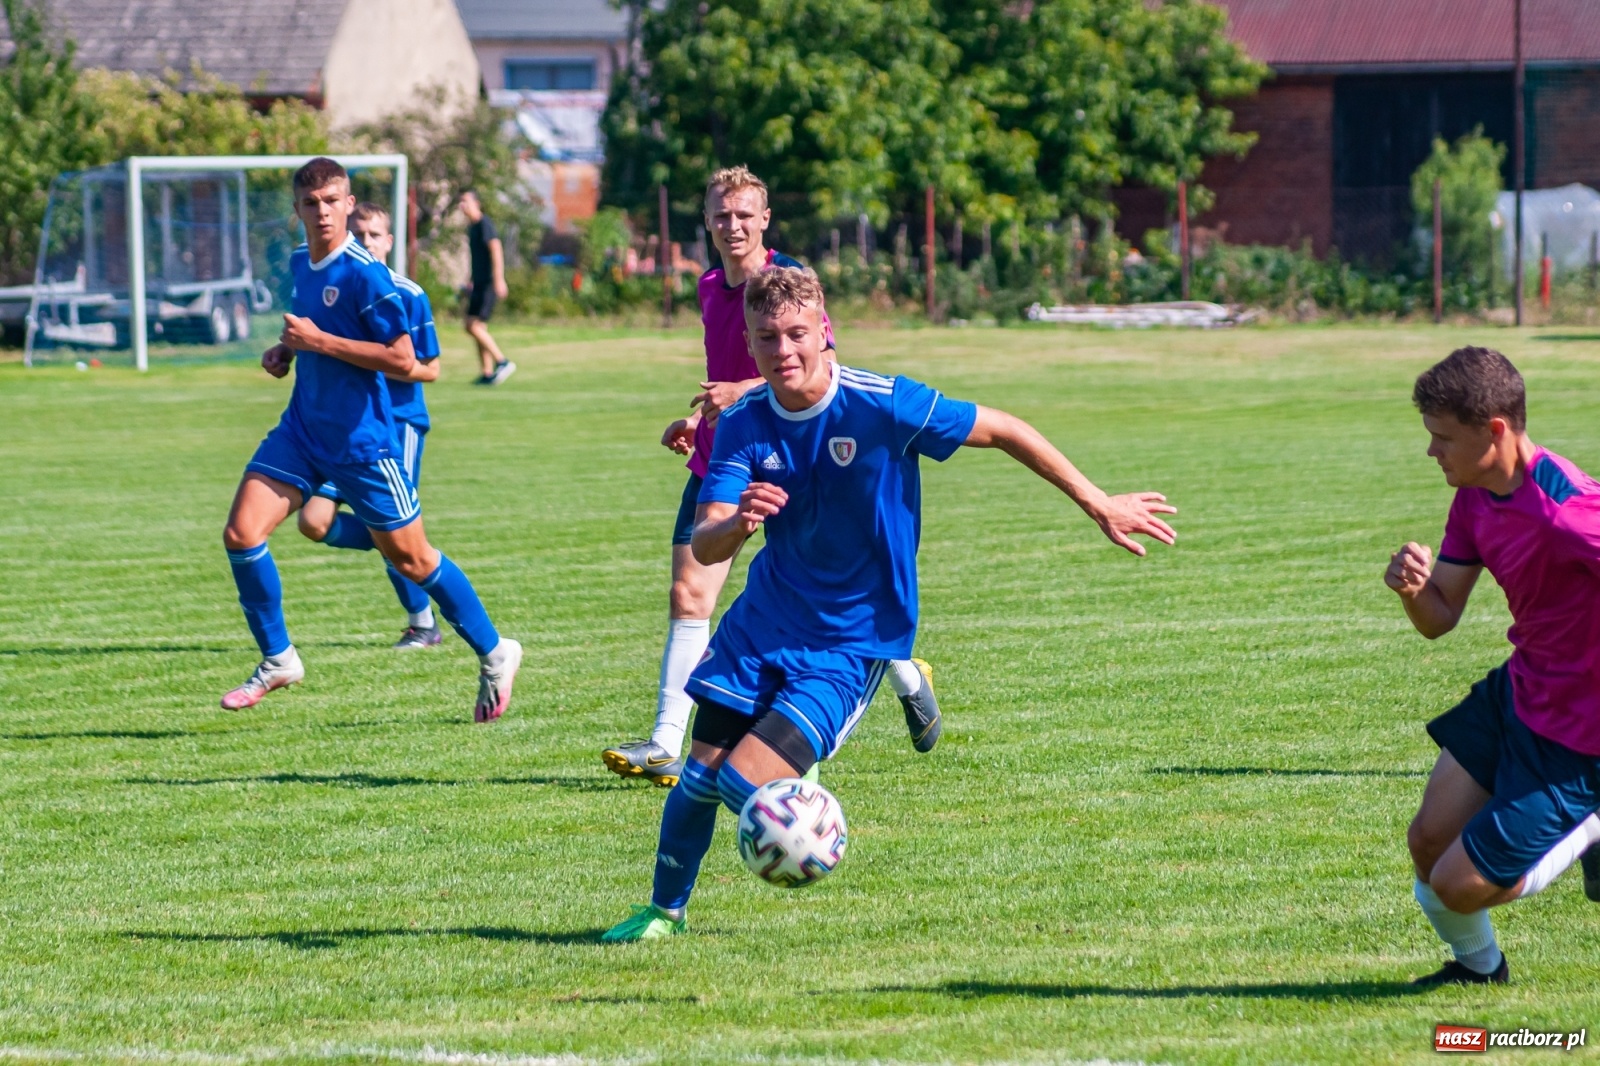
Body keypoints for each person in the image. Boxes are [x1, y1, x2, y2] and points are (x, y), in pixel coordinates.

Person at [600, 267, 1176, 940]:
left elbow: (1004, 429)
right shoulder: (744, 425)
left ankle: (816, 821)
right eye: (766, 339)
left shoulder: (883, 404)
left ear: (823, 331)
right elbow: (704, 542)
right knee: (697, 778)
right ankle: (664, 914)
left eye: (795, 334)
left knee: (742, 783)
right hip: (762, 626)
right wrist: (740, 525)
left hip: (851, 640)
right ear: (750, 349)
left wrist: (1097, 500)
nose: (784, 351)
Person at [601, 167, 945, 788]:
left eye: (743, 215)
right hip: (727, 454)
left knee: (830, 589)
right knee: (689, 595)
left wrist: (744, 389)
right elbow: (726, 372)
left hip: (799, 457)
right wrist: (697, 416)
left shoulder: (788, 285)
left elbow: (825, 367)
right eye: (720, 216)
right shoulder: (709, 286)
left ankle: (899, 670)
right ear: (705, 222)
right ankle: (664, 744)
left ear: (764, 221)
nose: (732, 226)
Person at [220, 157, 521, 722]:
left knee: (413, 559)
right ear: (297, 210)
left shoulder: (367, 275)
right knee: (241, 533)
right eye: (311, 204)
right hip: (302, 431)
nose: (323, 212)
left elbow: (406, 360)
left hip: (363, 444)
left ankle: (495, 650)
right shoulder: (298, 264)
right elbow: (307, 330)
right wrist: (286, 351)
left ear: (349, 203)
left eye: (333, 201)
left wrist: (320, 341)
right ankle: (279, 658)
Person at [1387, 346, 1600, 987]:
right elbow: (1440, 616)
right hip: (1520, 695)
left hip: (1580, 732)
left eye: (1443, 438)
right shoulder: (1476, 497)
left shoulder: (1571, 512)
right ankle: (1480, 972)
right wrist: (1412, 589)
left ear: (1495, 430)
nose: (1433, 453)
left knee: (1459, 885)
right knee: (1427, 843)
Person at [295, 202, 446, 649]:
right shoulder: (337, 283)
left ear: (390, 241)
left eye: (375, 235)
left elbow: (430, 368)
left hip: (397, 424)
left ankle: (423, 623)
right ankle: (403, 544)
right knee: (313, 521)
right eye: (358, 233)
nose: (366, 242)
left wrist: (376, 364)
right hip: (347, 425)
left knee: (391, 531)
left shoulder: (408, 293)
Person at [460, 190, 514, 386]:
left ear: (477, 203)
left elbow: (496, 249)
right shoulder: (472, 227)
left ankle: (503, 361)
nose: (462, 206)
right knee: (478, 327)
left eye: (465, 201)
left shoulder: (485, 224)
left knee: (472, 326)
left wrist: (499, 279)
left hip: (489, 283)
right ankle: (487, 372)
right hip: (479, 284)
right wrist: (470, 281)